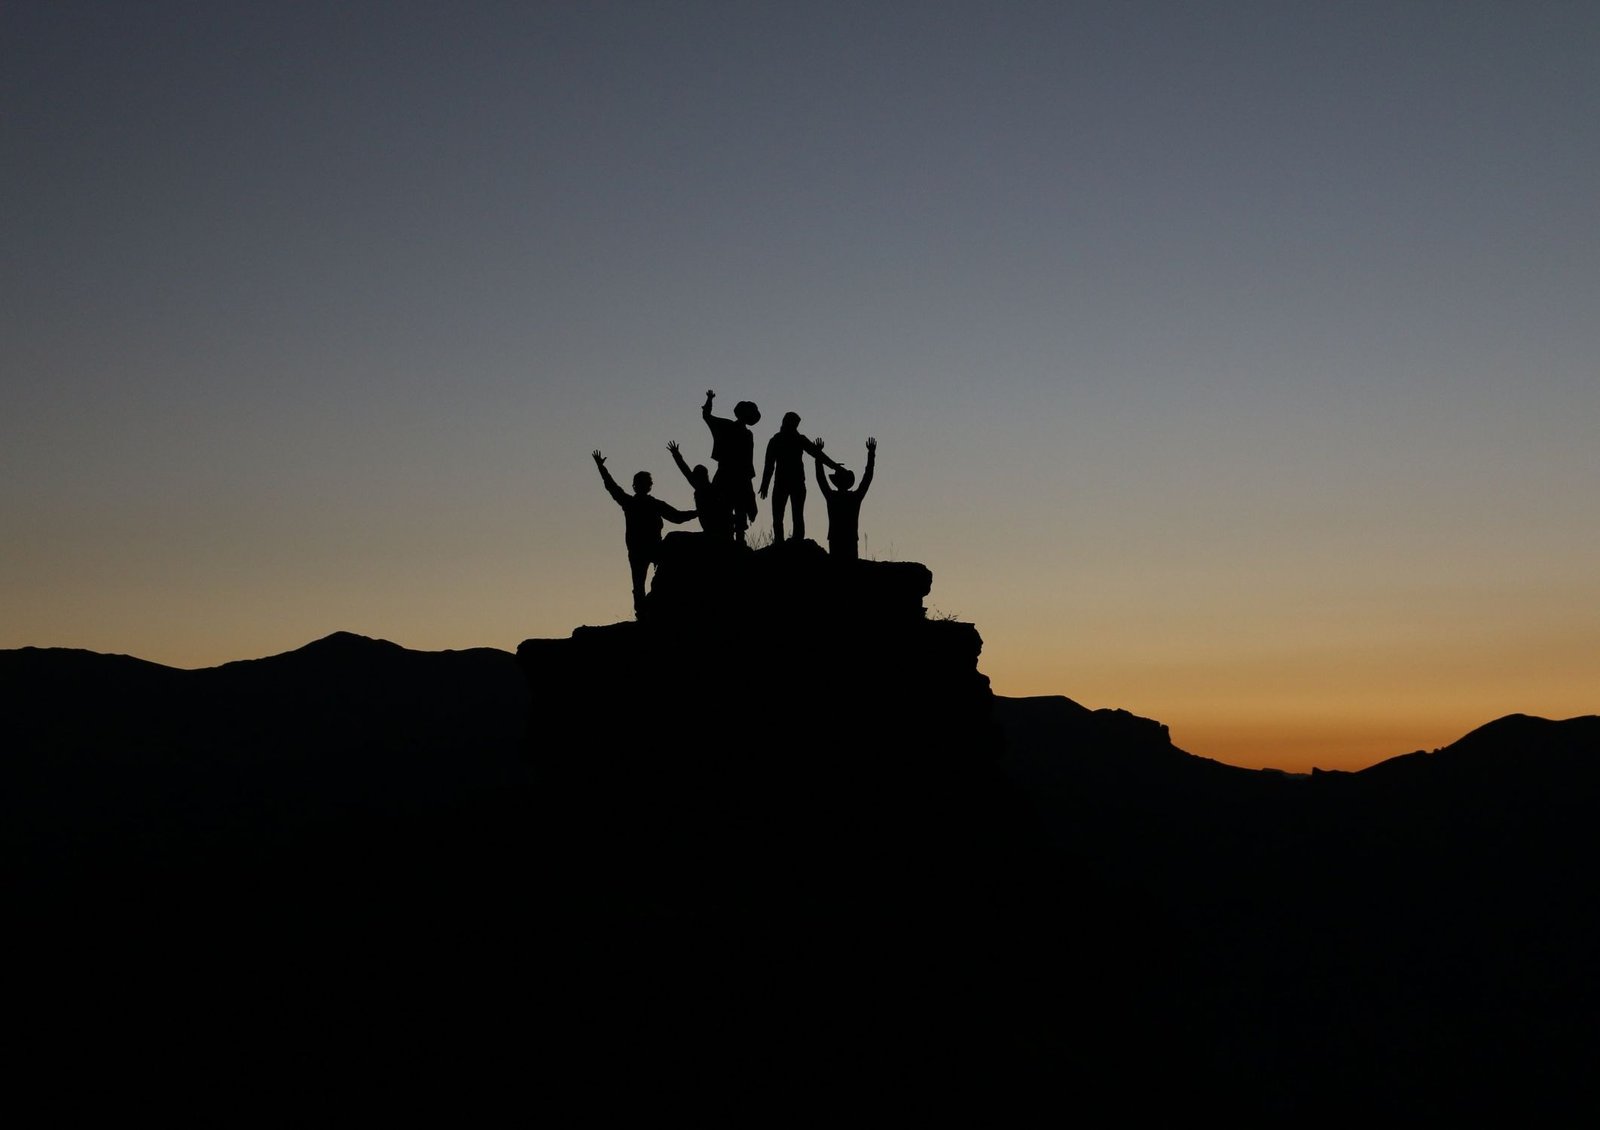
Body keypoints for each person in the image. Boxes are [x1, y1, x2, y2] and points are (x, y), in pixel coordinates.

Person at [592, 449, 696, 614]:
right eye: (646, 483)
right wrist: (698, 513)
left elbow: (677, 517)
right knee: (640, 583)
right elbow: (677, 517)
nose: (647, 485)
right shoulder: (643, 504)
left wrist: (601, 467)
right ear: (645, 486)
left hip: (643, 549)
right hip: (644, 549)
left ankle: (646, 609)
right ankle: (645, 611)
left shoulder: (634, 503)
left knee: (639, 583)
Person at [758, 411, 844, 543]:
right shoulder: (778, 440)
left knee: (794, 514)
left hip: (794, 482)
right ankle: (781, 541)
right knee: (781, 515)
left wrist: (835, 466)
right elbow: (769, 464)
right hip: (784, 482)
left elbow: (817, 454)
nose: (795, 427)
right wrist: (765, 484)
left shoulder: (793, 439)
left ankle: (795, 540)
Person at [701, 389, 760, 546]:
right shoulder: (727, 426)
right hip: (729, 474)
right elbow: (706, 416)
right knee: (725, 509)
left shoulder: (748, 434)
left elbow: (748, 460)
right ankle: (728, 540)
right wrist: (709, 399)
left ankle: (737, 541)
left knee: (739, 511)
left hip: (739, 476)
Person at [814, 436, 875, 561]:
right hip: (850, 539)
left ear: (836, 482)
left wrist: (818, 455)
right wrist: (871, 454)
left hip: (836, 538)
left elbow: (820, 478)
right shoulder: (854, 498)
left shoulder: (832, 497)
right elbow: (867, 477)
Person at [666, 440, 731, 542]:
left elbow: (686, 471)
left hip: (717, 527)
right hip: (711, 527)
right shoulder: (704, 487)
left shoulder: (710, 489)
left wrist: (676, 455)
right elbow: (685, 470)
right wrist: (676, 455)